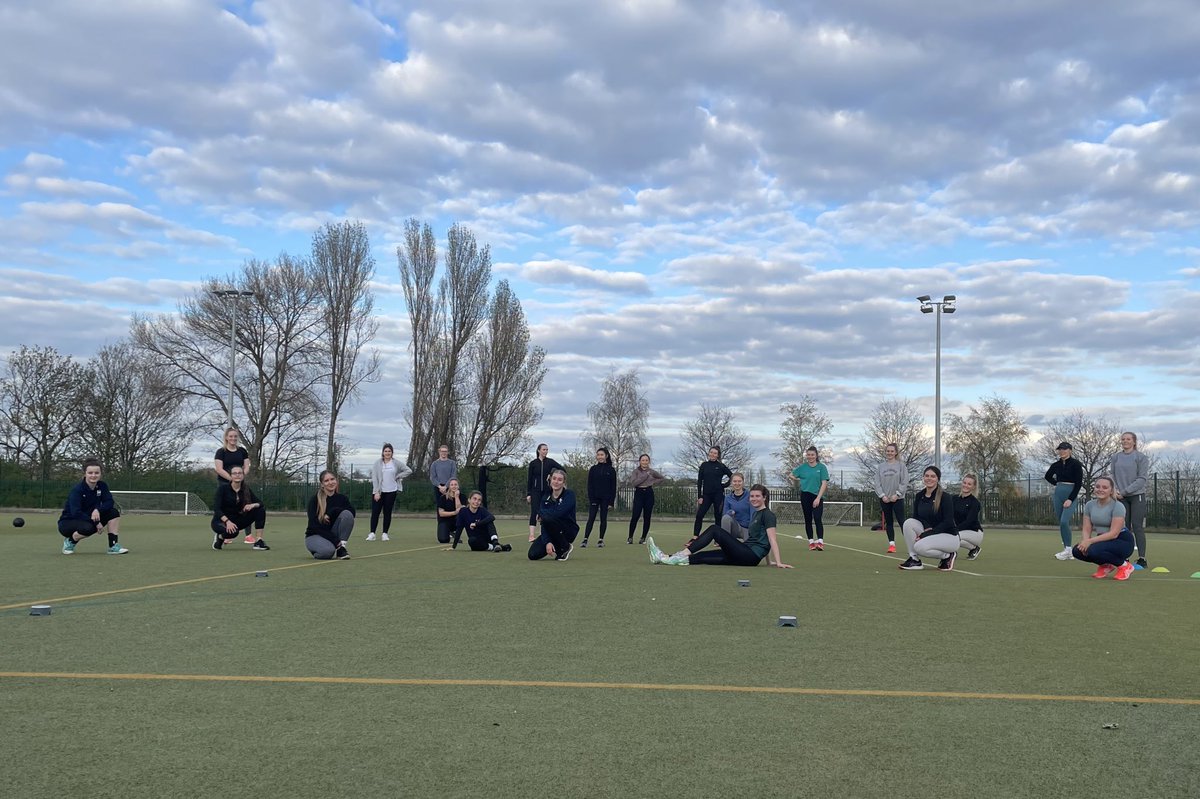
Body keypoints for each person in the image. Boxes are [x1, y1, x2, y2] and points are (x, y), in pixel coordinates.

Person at [648, 484, 792, 568]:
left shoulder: (768, 515)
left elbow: (771, 540)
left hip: (749, 556)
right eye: (752, 496)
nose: (753, 499)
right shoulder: (756, 514)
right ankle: (664, 557)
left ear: (764, 497)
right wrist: (769, 562)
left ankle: (683, 553)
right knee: (703, 557)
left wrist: (778, 562)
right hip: (744, 554)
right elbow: (762, 540)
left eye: (757, 496)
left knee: (714, 529)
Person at [1072, 476, 1136, 581]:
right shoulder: (1089, 505)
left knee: (1092, 550)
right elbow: (1086, 528)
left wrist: (1089, 541)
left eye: (1105, 487)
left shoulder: (1118, 506)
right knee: (1077, 551)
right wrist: (1085, 541)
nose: (1100, 489)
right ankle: (1106, 565)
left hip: (1122, 541)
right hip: (1103, 540)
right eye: (1097, 487)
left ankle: (1125, 566)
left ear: (1111, 491)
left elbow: (1114, 534)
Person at [58, 459, 127, 555]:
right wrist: (97, 522)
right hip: (69, 522)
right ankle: (70, 541)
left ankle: (113, 546)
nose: (93, 475)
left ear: (100, 474)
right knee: (89, 528)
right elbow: (76, 512)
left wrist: (97, 510)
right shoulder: (77, 490)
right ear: (85, 474)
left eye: (96, 473)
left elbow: (109, 502)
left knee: (113, 512)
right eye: (90, 473)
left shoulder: (102, 486)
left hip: (90, 518)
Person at [898, 466, 959, 571]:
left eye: (933, 476)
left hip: (949, 536)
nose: (929, 478)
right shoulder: (919, 495)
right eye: (927, 476)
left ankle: (948, 555)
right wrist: (926, 527)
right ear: (923, 478)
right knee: (908, 523)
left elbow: (948, 522)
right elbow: (916, 517)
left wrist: (927, 533)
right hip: (931, 533)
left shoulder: (945, 497)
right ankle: (914, 559)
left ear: (938, 479)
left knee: (919, 547)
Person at [1110, 432, 1151, 569]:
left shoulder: (1141, 457)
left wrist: (1124, 492)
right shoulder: (1115, 457)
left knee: (1137, 526)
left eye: (1128, 439)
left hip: (1136, 495)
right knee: (1124, 528)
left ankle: (1142, 558)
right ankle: (1125, 558)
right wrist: (1115, 491)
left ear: (1134, 442)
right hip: (1120, 497)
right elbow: (1112, 475)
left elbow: (1142, 479)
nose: (1125, 441)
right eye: (1123, 439)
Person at [213, 427, 257, 545]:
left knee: (245, 506)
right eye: (231, 436)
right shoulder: (221, 452)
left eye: (235, 436)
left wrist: (240, 477)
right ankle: (224, 534)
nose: (233, 438)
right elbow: (219, 469)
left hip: (240, 483)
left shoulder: (242, 451)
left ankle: (248, 535)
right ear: (226, 438)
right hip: (224, 483)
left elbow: (246, 466)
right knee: (226, 508)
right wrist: (232, 479)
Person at [211, 465, 269, 551]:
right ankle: (220, 537)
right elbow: (216, 508)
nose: (237, 475)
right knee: (233, 532)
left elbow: (261, 503)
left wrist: (252, 505)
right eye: (234, 473)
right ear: (231, 476)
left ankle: (258, 541)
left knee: (260, 510)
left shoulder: (246, 489)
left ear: (243, 475)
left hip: (238, 520)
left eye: (240, 473)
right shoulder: (223, 489)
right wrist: (227, 522)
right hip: (221, 521)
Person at [1045, 442, 1084, 561]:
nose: (1062, 451)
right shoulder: (1056, 465)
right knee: (1061, 522)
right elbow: (1048, 476)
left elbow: (1078, 483)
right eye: (1060, 449)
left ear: (1070, 450)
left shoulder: (1076, 464)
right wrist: (1056, 483)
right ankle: (1067, 549)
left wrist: (1070, 499)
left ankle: (1068, 550)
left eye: (1064, 449)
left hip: (1070, 492)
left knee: (1064, 521)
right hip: (1058, 493)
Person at [528, 469, 578, 561]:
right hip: (551, 530)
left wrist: (542, 514)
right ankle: (556, 545)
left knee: (547, 517)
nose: (556, 482)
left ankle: (565, 547)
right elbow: (544, 521)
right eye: (554, 478)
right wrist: (548, 542)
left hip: (568, 531)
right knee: (532, 555)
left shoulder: (569, 495)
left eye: (559, 480)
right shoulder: (545, 497)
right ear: (550, 480)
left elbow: (559, 513)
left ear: (564, 482)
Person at [367, 443, 412, 542]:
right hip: (379, 492)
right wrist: (376, 492)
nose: (387, 453)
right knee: (375, 512)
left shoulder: (396, 463)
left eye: (389, 451)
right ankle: (372, 533)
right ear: (383, 452)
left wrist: (398, 476)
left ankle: (385, 534)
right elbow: (375, 478)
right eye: (386, 451)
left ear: (392, 453)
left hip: (391, 491)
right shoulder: (377, 463)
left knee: (387, 513)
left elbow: (408, 470)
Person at [306, 470, 354, 559]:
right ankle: (318, 549)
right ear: (322, 484)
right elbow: (314, 525)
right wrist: (335, 541)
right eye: (326, 481)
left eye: (332, 479)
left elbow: (351, 514)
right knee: (327, 552)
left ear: (336, 481)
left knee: (347, 514)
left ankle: (341, 549)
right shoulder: (314, 500)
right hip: (315, 535)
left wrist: (331, 512)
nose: (330, 482)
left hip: (332, 534)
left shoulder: (342, 498)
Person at [789, 446, 830, 551]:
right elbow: (791, 475)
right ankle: (811, 542)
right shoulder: (803, 467)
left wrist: (818, 498)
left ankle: (820, 542)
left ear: (816, 455)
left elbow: (824, 483)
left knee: (817, 518)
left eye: (812, 455)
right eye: (808, 455)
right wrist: (799, 480)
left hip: (817, 496)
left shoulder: (822, 467)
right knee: (808, 519)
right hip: (805, 496)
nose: (810, 457)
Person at [526, 443, 564, 541]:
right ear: (539, 450)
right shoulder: (533, 463)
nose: (545, 451)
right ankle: (531, 535)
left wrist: (552, 475)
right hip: (535, 491)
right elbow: (529, 479)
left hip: (547, 491)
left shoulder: (550, 462)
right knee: (535, 512)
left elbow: (562, 469)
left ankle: (543, 534)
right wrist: (529, 494)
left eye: (547, 450)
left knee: (545, 512)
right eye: (544, 449)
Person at [874, 443, 907, 554]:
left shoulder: (901, 466)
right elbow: (877, 483)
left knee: (902, 522)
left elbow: (904, 481)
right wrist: (882, 495)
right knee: (889, 522)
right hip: (885, 499)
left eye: (892, 451)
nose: (890, 453)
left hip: (898, 498)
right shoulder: (881, 467)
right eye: (888, 451)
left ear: (896, 452)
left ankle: (911, 545)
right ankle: (892, 545)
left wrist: (897, 494)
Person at [693, 446, 733, 535]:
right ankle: (695, 537)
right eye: (711, 452)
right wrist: (700, 496)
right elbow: (699, 481)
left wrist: (724, 485)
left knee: (718, 517)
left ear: (718, 455)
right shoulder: (704, 465)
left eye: (715, 453)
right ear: (709, 453)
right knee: (699, 515)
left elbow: (732, 476)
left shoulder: (721, 466)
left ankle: (718, 538)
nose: (712, 454)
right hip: (706, 495)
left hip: (718, 495)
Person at [582, 447, 617, 548]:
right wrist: (591, 498)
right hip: (594, 498)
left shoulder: (611, 470)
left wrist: (611, 502)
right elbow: (590, 485)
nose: (600, 457)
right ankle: (585, 539)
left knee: (603, 519)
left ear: (606, 456)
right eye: (598, 455)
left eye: (602, 455)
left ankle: (600, 540)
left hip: (606, 499)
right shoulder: (593, 469)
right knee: (591, 518)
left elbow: (613, 487)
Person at [627, 454, 666, 544]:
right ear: (640, 461)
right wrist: (644, 477)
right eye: (643, 460)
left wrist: (653, 481)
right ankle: (630, 537)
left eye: (646, 460)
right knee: (635, 515)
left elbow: (661, 478)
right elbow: (634, 483)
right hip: (639, 493)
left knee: (647, 517)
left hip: (649, 493)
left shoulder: (652, 472)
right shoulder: (636, 471)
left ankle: (643, 538)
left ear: (649, 461)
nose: (644, 462)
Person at [953, 474, 984, 560]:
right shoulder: (954, 499)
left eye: (969, 484)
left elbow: (968, 522)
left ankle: (951, 553)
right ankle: (974, 548)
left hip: (975, 533)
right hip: (961, 531)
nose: (966, 485)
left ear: (973, 487)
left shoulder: (975, 503)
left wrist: (954, 529)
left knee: (953, 536)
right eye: (964, 483)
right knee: (948, 535)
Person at [720, 472, 752, 542]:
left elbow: (754, 513)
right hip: (735, 527)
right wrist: (731, 512)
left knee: (749, 548)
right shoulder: (728, 498)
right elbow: (725, 514)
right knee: (725, 518)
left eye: (739, 481)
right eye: (734, 481)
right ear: (731, 483)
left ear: (743, 482)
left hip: (747, 528)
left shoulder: (750, 496)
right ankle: (726, 544)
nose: (737, 483)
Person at [436, 478, 463, 545]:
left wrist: (457, 497)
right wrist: (454, 513)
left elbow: (460, 511)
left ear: (458, 486)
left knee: (462, 515)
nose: (454, 486)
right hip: (444, 521)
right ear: (449, 486)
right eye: (452, 485)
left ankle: (455, 532)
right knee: (443, 540)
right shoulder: (443, 498)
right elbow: (441, 513)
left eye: (455, 484)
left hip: (456, 521)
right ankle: (449, 533)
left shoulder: (462, 497)